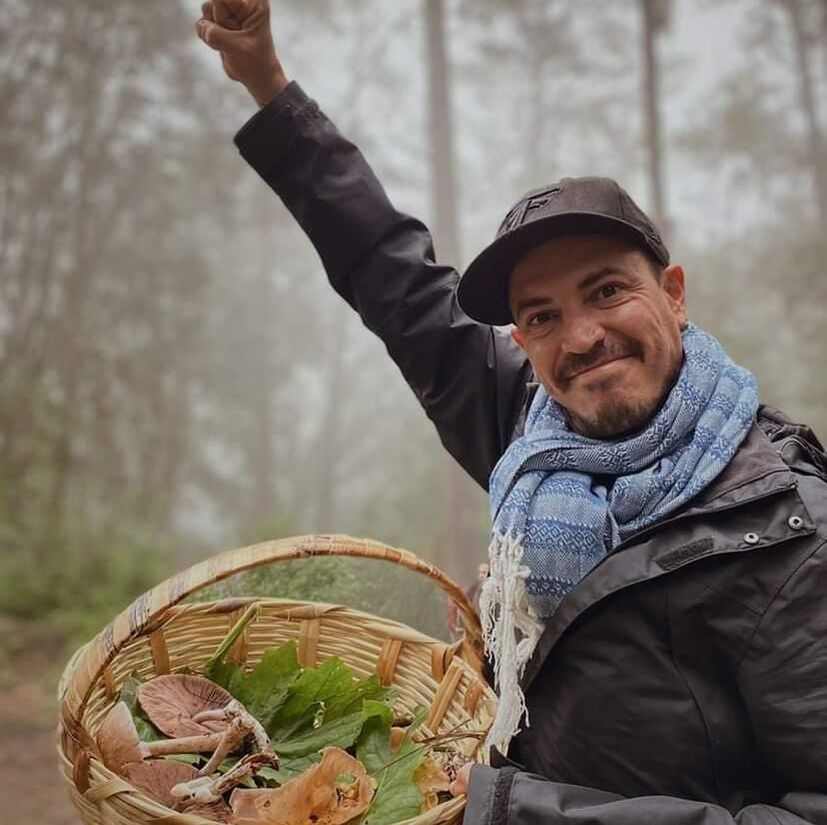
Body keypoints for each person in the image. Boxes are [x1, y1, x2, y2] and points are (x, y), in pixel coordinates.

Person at [195, 2, 827, 823]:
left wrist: (513, 809)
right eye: (542, 315)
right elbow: (389, 270)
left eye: (606, 290)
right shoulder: (529, 429)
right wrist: (268, 86)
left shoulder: (787, 532)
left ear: (672, 295)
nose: (582, 336)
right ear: (522, 339)